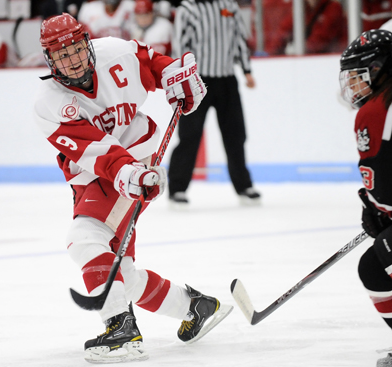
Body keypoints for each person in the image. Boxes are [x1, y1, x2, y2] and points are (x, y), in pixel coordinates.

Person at [33, 13, 233, 363]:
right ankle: (195, 307)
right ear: (50, 60)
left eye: (77, 49)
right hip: (99, 173)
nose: (73, 60)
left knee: (85, 238)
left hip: (137, 153)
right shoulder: (49, 104)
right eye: (62, 55)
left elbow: (154, 63)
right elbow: (96, 152)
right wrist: (130, 176)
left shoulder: (115, 53)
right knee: (120, 273)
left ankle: (120, 329)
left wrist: (175, 76)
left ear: (87, 43)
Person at [168, 0, 260, 208]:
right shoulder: (187, 9)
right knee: (189, 135)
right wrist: (181, 79)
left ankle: (244, 185)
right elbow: (180, 45)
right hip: (196, 79)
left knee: (235, 134)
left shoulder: (229, 6)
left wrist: (246, 70)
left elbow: (239, 39)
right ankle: (177, 188)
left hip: (227, 79)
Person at [339, 29, 392, 367]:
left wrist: (377, 209)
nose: (354, 87)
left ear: (378, 69)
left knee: (379, 259)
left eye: (358, 77)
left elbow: (383, 186)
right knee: (375, 265)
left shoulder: (376, 111)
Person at [264, 0, 347, 55]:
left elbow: (319, 40)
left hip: (331, 59)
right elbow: (283, 32)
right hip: (312, 58)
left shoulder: (333, 8)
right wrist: (270, 51)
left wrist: (298, 50)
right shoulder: (302, 7)